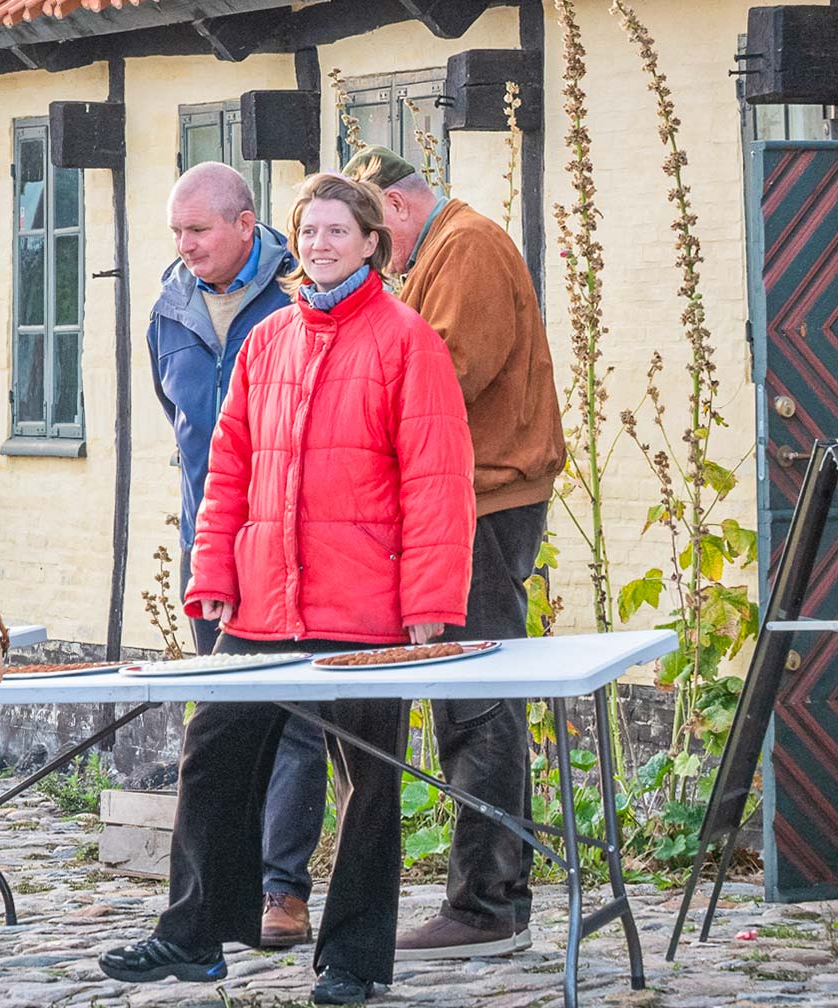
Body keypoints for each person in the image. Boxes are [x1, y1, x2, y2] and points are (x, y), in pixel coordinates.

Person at [99, 174, 476, 1005]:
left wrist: (429, 606)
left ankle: (353, 958)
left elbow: (438, 480)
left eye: (338, 231)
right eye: (308, 232)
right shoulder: (270, 339)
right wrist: (212, 575)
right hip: (265, 603)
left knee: (370, 784)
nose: (320, 246)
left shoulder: (408, 340)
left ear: (372, 241)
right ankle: (193, 934)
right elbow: (225, 468)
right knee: (214, 755)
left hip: (366, 608)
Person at [344, 146, 565, 960]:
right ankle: (485, 894)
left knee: (478, 696)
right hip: (463, 497)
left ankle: (487, 901)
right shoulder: (441, 248)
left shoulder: (464, 247)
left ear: (397, 210)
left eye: (371, 230)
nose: (372, 248)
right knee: (469, 690)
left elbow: (439, 373)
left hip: (488, 497)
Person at [148, 160, 325, 947]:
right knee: (220, 722)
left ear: (245, 225)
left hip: (294, 544)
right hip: (211, 544)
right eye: (177, 232)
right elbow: (185, 427)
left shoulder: (297, 295)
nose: (185, 246)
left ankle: (284, 889)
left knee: (296, 719)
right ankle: (225, 895)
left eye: (198, 230)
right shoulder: (169, 308)